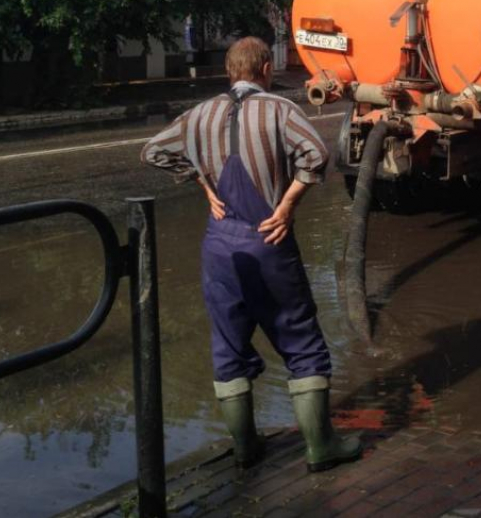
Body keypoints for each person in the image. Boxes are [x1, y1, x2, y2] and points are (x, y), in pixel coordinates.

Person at [140, 36, 362, 472]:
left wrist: (203, 184)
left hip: (219, 246)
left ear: (229, 72)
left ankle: (245, 450)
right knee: (301, 342)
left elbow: (152, 152)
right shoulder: (280, 110)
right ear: (265, 71)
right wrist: (287, 205)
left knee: (228, 345)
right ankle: (321, 449)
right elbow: (317, 155)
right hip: (270, 242)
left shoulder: (198, 114)